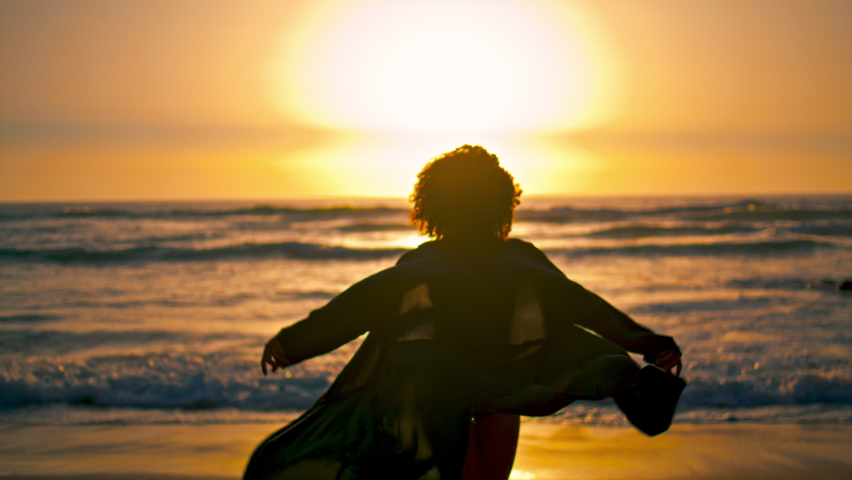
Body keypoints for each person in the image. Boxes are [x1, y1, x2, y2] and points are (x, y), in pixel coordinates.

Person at [244, 145, 685, 480]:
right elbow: (578, 302)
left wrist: (294, 343)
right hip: (507, 382)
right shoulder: (522, 258)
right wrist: (643, 343)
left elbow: (360, 304)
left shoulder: (420, 264)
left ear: (432, 205)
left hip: (434, 388)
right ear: (501, 203)